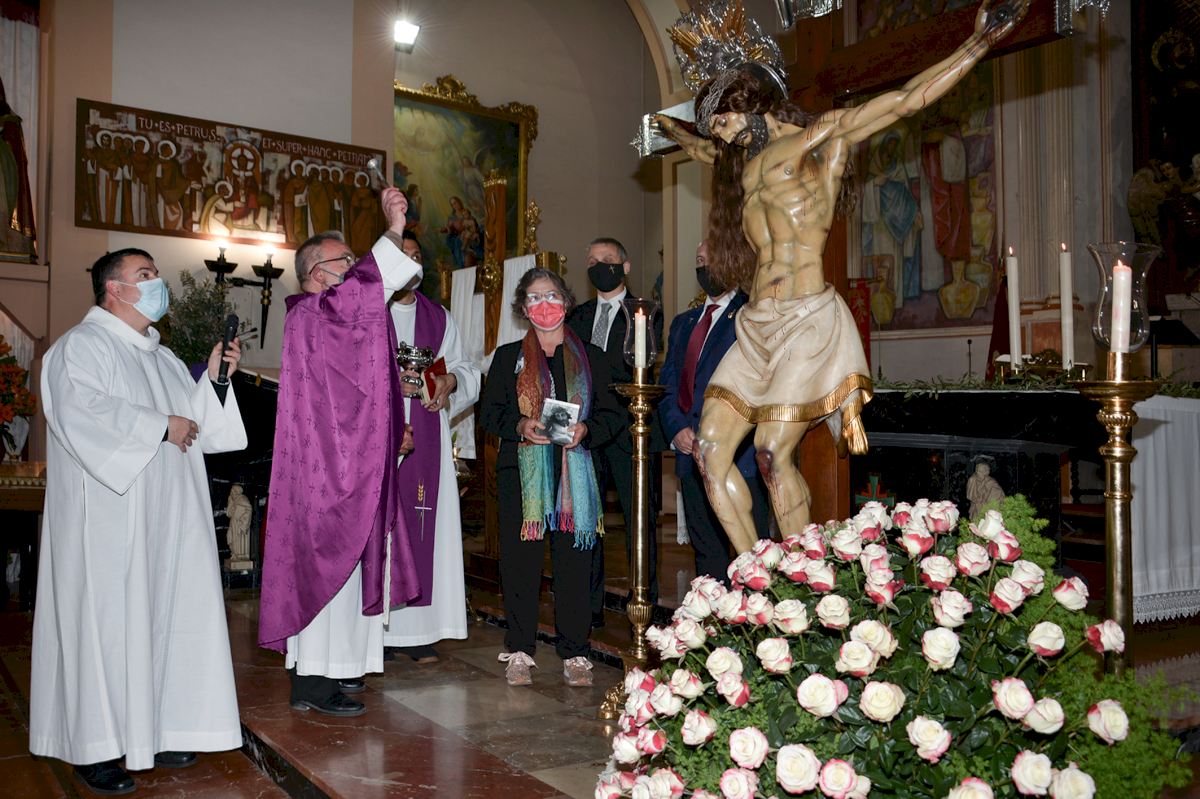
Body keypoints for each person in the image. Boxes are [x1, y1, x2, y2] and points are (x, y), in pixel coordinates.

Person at [656, 0, 1030, 551]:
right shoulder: (745, 166)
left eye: (726, 121)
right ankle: (758, 575)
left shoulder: (821, 141)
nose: (725, 137)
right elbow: (703, 148)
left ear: (747, 100)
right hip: (756, 325)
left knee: (770, 453)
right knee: (710, 454)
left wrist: (978, 44)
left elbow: (907, 100)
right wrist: (676, 131)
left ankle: (804, 570)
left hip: (807, 319)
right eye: (718, 130)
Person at [30, 247, 247, 796]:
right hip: (108, 522)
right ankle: (96, 747)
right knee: (105, 627)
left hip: (167, 519)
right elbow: (83, 413)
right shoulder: (80, 347)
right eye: (144, 275)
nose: (156, 284)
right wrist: (158, 425)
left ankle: (158, 728)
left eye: (155, 274)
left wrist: (216, 381)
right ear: (114, 289)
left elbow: (196, 427)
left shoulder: (164, 358)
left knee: (162, 618)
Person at [259, 187, 423, 718]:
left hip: (348, 461)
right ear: (317, 272)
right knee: (325, 565)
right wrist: (393, 228)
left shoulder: (331, 315)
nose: (355, 269)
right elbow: (371, 285)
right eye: (345, 261)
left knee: (350, 568)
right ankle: (313, 679)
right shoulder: (314, 313)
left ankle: (338, 669)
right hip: (324, 471)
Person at [480, 267, 623, 687]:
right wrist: (521, 425)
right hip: (522, 475)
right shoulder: (508, 357)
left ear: (566, 301)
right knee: (520, 565)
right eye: (535, 298)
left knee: (574, 565)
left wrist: (587, 430)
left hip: (575, 472)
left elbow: (612, 414)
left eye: (552, 295)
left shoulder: (592, 358)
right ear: (524, 308)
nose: (545, 305)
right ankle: (520, 650)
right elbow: (490, 413)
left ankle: (575, 651)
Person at [383, 230, 481, 663]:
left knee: (424, 524)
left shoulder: (438, 317)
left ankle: (419, 632)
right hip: (379, 431)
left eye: (416, 256)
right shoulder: (368, 312)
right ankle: (375, 631)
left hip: (426, 431)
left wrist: (449, 381)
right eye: (401, 255)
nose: (411, 263)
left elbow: (466, 368)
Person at [659, 241, 770, 581]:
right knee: (707, 551)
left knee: (752, 553)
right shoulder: (684, 323)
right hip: (691, 455)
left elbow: (760, 383)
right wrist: (677, 429)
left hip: (739, 456)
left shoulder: (752, 314)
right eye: (699, 260)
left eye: (713, 259)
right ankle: (712, 613)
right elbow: (668, 385)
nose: (705, 267)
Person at [567, 236, 664, 623]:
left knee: (638, 519)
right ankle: (589, 608)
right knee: (588, 519)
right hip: (588, 430)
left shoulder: (644, 312)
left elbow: (640, 364)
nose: (598, 266)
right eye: (591, 261)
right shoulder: (578, 316)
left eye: (606, 259)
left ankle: (645, 603)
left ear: (625, 267)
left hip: (628, 430)